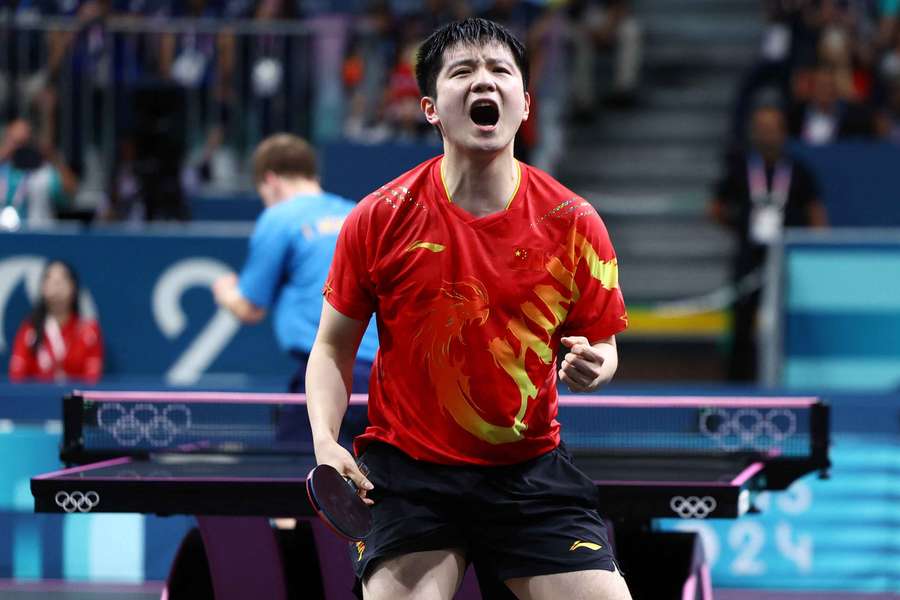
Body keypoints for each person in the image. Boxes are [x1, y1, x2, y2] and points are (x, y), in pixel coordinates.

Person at [306, 18, 632, 600]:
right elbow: (332, 345)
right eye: (463, 71)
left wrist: (596, 366)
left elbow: (602, 345)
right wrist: (326, 442)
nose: (484, 82)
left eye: (500, 71)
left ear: (525, 104)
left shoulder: (574, 223)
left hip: (530, 472)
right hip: (410, 475)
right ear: (431, 107)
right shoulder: (380, 218)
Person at [212, 133, 378, 393]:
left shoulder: (279, 216)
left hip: (329, 372)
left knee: (295, 435)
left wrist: (224, 291)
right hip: (382, 375)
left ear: (271, 180)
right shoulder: (356, 212)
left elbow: (249, 309)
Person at [710, 104, 828, 382]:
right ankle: (738, 384)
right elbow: (714, 208)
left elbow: (817, 217)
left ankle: (785, 379)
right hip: (750, 257)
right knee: (742, 321)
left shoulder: (799, 171)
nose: (767, 134)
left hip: (787, 259)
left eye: (772, 128)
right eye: (761, 128)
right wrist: (741, 227)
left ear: (783, 132)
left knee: (787, 320)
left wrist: (810, 247)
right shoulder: (741, 168)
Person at [9, 260, 103, 383]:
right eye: (50, 279)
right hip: (35, 400)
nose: (56, 284)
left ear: (74, 287)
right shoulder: (29, 329)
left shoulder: (89, 331)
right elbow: (16, 377)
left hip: (75, 400)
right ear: (42, 288)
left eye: (63, 279)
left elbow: (92, 380)